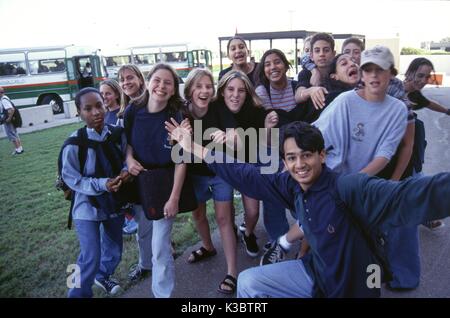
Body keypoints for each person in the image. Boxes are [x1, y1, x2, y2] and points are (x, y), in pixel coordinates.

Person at [166, 120, 450, 298]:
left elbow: (414, 194)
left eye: (306, 155)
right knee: (250, 283)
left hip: (354, 286)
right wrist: (193, 146)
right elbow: (246, 175)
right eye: (291, 158)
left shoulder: (349, 188)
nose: (299, 164)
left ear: (322, 155)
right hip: (316, 275)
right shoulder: (291, 184)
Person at [123, 63, 187, 298]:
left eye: (167, 83)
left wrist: (174, 198)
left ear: (173, 90)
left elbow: (182, 160)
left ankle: (163, 293)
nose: (161, 86)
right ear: (148, 82)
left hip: (164, 184)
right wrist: (129, 159)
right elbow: (127, 142)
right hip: (139, 181)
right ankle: (145, 266)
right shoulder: (132, 110)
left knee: (160, 245)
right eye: (157, 80)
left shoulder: (176, 116)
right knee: (144, 235)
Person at [64, 88, 130, 297]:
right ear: (79, 112)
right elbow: (71, 177)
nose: (96, 112)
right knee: (89, 256)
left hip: (114, 203)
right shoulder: (75, 143)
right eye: (88, 108)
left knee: (114, 250)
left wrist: (125, 174)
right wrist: (102, 184)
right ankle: (75, 293)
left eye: (99, 105)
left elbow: (128, 159)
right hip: (86, 208)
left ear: (105, 104)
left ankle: (103, 275)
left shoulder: (118, 134)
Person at [181, 68, 238, 294]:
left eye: (209, 86)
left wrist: (228, 136)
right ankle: (208, 246)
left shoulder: (218, 108)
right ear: (189, 90)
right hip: (195, 176)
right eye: (199, 86)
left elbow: (233, 134)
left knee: (224, 219)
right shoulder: (182, 113)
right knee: (198, 214)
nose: (205, 91)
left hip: (220, 172)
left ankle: (232, 272)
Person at [403, 57, 450, 230]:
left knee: (416, 182)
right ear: (409, 73)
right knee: (416, 184)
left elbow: (430, 104)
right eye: (420, 75)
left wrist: (447, 111)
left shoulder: (414, 94)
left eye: (427, 77)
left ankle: (423, 216)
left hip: (413, 149)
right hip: (397, 149)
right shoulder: (394, 90)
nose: (423, 81)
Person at [117, 64, 151, 276]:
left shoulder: (151, 104)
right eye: (122, 80)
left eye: (130, 78)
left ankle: (151, 262)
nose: (126, 82)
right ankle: (146, 263)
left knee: (154, 221)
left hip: (152, 172)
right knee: (143, 222)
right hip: (133, 174)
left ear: (140, 78)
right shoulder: (123, 112)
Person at [294, 33, 336, 110]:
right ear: (311, 56)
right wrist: (311, 91)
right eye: (317, 51)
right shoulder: (306, 73)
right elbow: (297, 96)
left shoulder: (338, 72)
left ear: (333, 54)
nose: (321, 54)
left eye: (326, 50)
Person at [0, 87, 24, 155]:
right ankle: (20, 149)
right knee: (15, 134)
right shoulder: (5, 97)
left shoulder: (4, 100)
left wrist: (9, 119)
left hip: (8, 120)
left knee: (11, 135)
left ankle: (18, 150)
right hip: (10, 119)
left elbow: (11, 109)